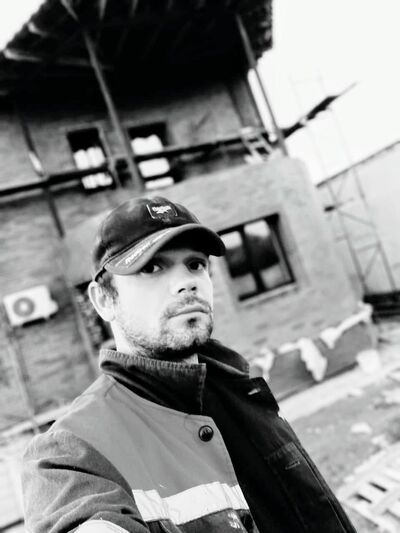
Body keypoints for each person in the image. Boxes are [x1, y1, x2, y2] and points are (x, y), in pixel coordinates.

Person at [22, 196, 356, 533]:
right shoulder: (70, 453)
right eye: (152, 267)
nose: (187, 282)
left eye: (195, 264)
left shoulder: (242, 390)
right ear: (104, 300)